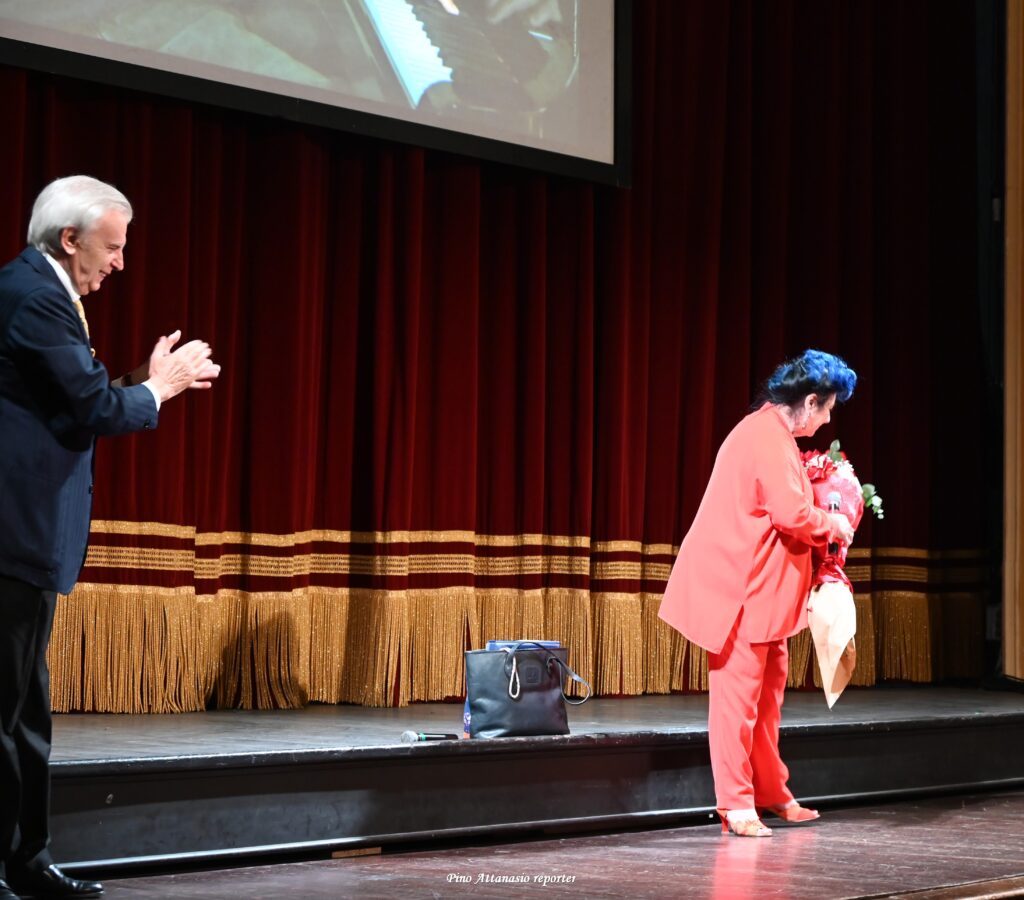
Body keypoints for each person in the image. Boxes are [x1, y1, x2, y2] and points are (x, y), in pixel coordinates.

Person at [0, 175, 220, 898]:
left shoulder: (42, 291)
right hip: (12, 535)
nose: (121, 262)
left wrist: (141, 380)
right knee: (5, 716)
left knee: (25, 715)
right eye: (113, 246)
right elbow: (92, 409)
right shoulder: (35, 296)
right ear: (70, 239)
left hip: (26, 539)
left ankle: (27, 862)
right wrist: (163, 386)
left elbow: (74, 401)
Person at [658, 349, 857, 838]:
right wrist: (833, 523)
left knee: (766, 706)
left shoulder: (776, 434)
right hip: (742, 595)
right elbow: (791, 513)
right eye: (828, 408)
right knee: (738, 705)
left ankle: (771, 792)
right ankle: (736, 803)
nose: (828, 419)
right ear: (809, 402)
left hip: (769, 597)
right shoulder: (763, 436)